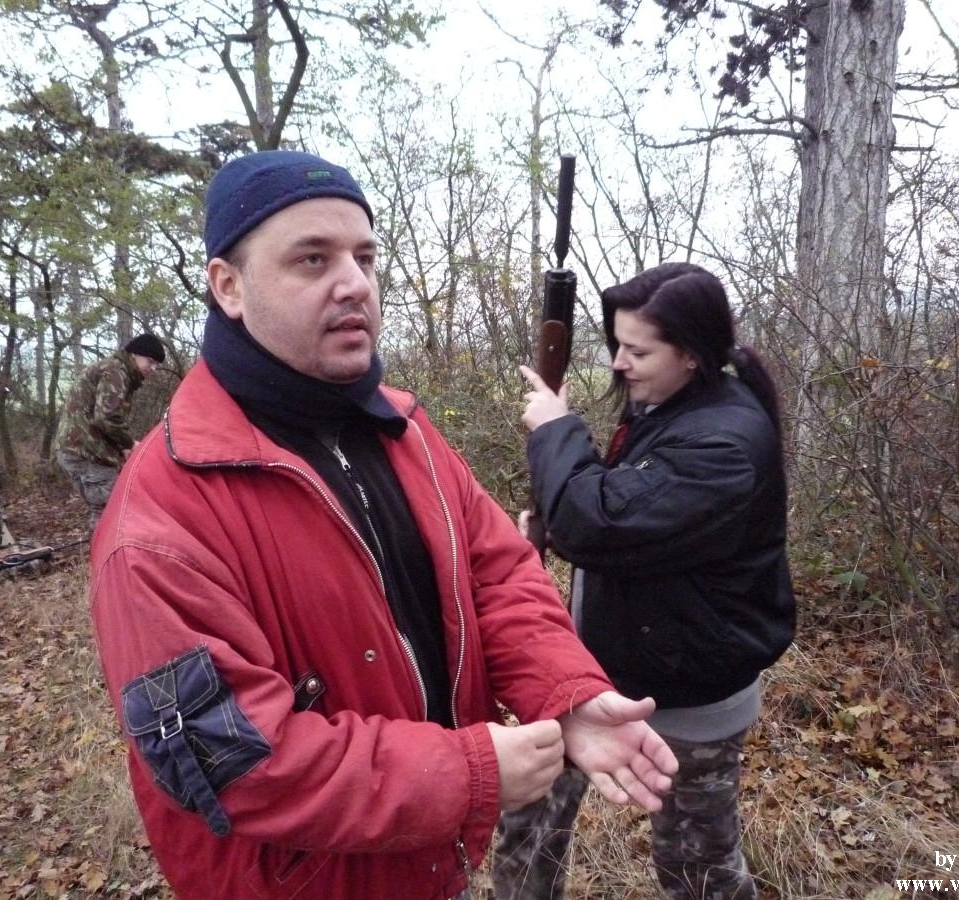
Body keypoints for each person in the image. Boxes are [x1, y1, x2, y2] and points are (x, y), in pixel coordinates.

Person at [88, 150, 679, 900]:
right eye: (312, 259)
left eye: (364, 258)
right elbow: (232, 761)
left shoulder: (404, 430)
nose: (355, 284)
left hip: (433, 858)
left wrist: (565, 693)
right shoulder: (161, 517)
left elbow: (497, 573)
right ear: (228, 286)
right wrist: (467, 774)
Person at [493, 262, 796, 900]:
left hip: (688, 692)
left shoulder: (725, 444)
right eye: (617, 345)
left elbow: (602, 522)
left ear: (691, 354)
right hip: (591, 673)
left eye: (637, 351)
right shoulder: (667, 403)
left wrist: (555, 432)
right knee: (528, 830)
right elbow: (632, 516)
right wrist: (552, 525)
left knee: (696, 867)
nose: (618, 364)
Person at [54, 332, 164, 525]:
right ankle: (103, 545)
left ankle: (100, 543)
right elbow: (106, 417)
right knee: (109, 513)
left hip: (76, 449)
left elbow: (103, 417)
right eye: (150, 361)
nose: (153, 368)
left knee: (104, 510)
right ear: (135, 354)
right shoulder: (115, 372)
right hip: (87, 453)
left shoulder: (115, 369)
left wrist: (122, 447)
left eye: (156, 364)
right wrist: (130, 443)